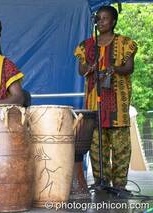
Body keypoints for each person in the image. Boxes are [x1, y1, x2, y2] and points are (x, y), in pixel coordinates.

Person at [74, 6, 137, 189]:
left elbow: (129, 68)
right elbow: (81, 70)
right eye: (98, 19)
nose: (101, 22)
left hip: (118, 104)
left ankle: (119, 186)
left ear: (114, 21)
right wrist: (89, 68)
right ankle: (101, 182)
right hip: (95, 105)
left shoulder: (125, 43)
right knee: (96, 146)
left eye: (105, 18)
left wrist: (115, 69)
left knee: (121, 148)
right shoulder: (86, 46)